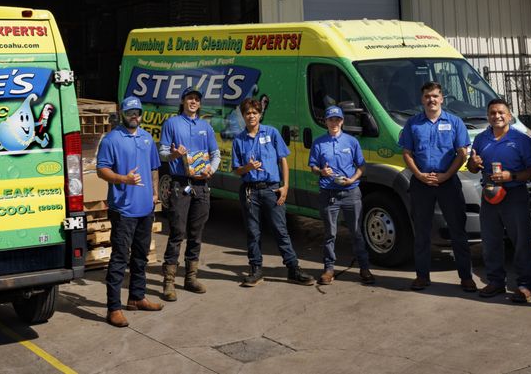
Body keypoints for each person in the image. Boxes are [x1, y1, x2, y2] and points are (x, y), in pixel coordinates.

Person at [399, 81, 477, 292]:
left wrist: (445, 176)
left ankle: (466, 277)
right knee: (421, 231)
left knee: (458, 230)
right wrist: (419, 175)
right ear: (422, 99)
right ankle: (422, 276)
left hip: (448, 183)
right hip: (421, 183)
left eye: (435, 96)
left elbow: (462, 153)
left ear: (442, 98)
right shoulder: (413, 124)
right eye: (427, 96)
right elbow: (407, 152)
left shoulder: (455, 122)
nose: (431, 100)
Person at [232, 98, 314, 287]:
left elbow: (283, 160)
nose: (251, 116)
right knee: (253, 232)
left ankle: (293, 269)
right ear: (243, 116)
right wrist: (247, 167)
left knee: (280, 230)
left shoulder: (272, 133)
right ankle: (256, 269)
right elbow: (236, 170)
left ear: (260, 114)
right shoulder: (239, 140)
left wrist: (285, 186)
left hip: (272, 189)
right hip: (250, 192)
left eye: (254, 112)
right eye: (247, 113)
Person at [96, 97, 163, 328]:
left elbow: (154, 167)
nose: (134, 116)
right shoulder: (111, 139)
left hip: (145, 208)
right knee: (119, 258)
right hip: (123, 210)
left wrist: (155, 193)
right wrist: (123, 179)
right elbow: (102, 170)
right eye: (130, 112)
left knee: (141, 256)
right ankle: (113, 308)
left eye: (137, 112)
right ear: (122, 114)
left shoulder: (147, 138)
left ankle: (137, 297)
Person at [467, 99, 531, 302]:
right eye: (492, 113)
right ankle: (496, 281)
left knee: (521, 241)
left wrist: (511, 176)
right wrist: (473, 163)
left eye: (501, 113)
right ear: (488, 116)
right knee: (490, 241)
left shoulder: (521, 139)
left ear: (509, 116)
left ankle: (525, 285)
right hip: (489, 193)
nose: (497, 116)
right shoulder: (481, 139)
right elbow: (473, 168)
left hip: (514, 194)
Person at [159, 87, 221, 301]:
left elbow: (215, 153)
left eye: (196, 99)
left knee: (196, 233)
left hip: (201, 185)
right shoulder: (172, 123)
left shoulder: (206, 126)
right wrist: (174, 154)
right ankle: (169, 281)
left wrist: (211, 169)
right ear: (183, 101)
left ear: (199, 104)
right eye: (189, 98)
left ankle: (190, 277)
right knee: (177, 232)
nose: (193, 102)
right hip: (180, 184)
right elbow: (162, 152)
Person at [309, 105, 374, 285]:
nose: (334, 123)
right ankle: (329, 269)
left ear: (342, 121)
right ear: (326, 122)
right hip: (329, 193)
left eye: (337, 119)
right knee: (330, 233)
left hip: (351, 192)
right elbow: (313, 166)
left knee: (356, 232)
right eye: (331, 119)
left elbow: (361, 166)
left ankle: (364, 268)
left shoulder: (351, 142)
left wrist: (351, 179)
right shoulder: (318, 143)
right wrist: (321, 171)